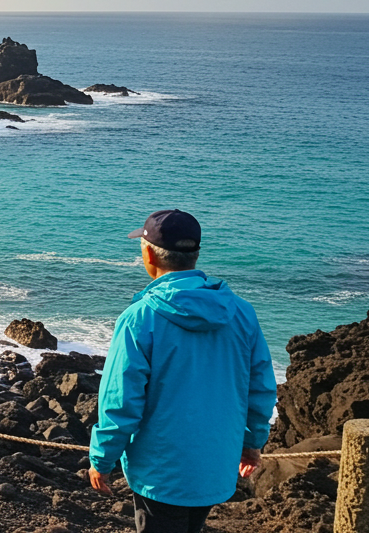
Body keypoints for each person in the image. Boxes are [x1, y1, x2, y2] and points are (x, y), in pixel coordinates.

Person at [89, 210, 277, 533]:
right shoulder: (242, 313)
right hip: (215, 465)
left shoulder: (139, 319)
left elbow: (120, 402)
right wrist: (252, 442)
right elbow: (261, 388)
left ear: (149, 254)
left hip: (160, 473)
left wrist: (102, 460)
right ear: (196, 254)